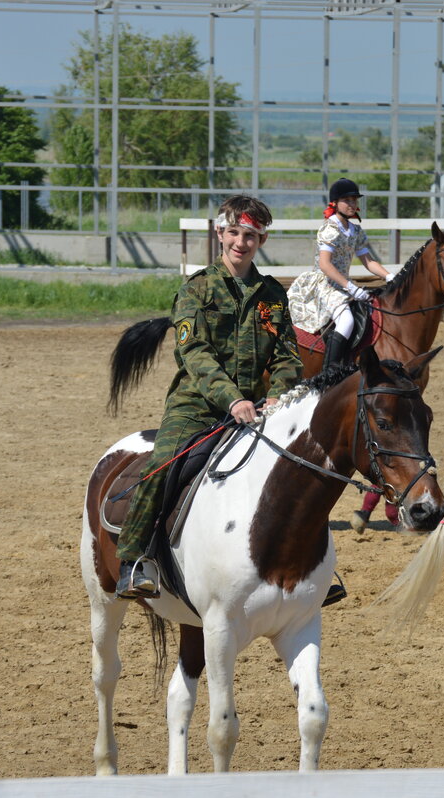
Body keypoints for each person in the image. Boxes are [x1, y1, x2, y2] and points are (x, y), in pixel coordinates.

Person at [115, 195, 302, 599]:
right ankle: (134, 559)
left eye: (250, 235)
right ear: (220, 234)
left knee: (301, 468)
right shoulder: (195, 290)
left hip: (256, 411)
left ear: (262, 240)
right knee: (161, 465)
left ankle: (306, 565)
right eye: (234, 232)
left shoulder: (273, 295)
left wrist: (279, 396)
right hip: (196, 407)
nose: (241, 242)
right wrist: (233, 399)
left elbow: (288, 357)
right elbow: (195, 355)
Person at [287, 178, 393, 369]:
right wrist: (351, 287)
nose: (353, 204)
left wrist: (389, 276)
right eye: (348, 201)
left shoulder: (355, 230)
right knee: (346, 321)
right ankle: (331, 370)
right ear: (335, 203)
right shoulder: (330, 228)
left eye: (355, 200)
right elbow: (325, 265)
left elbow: (368, 261)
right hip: (325, 283)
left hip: (342, 284)